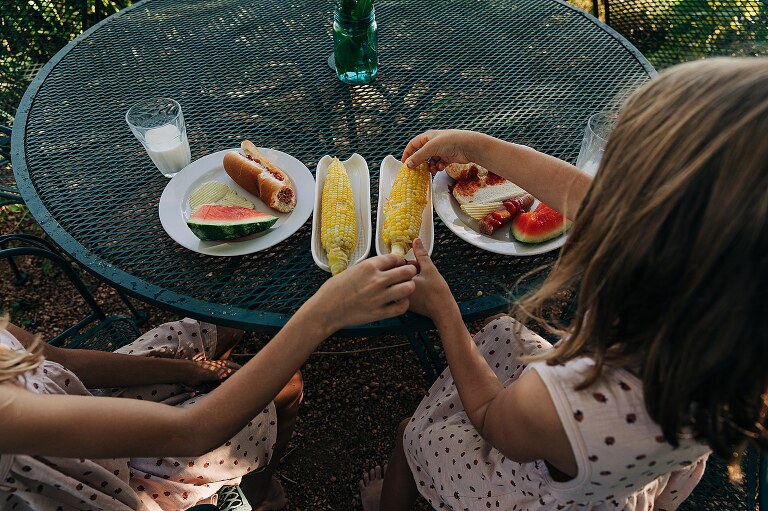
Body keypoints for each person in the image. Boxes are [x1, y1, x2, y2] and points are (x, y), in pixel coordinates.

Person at [359, 57, 768, 510]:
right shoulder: (737, 353)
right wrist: (480, 148)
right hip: (635, 469)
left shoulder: (572, 398)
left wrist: (444, 310)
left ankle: (387, 501)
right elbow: (591, 199)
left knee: (412, 435)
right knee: (501, 334)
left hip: (526, 475)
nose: (609, 201)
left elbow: (492, 419)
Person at [0, 254, 418, 511]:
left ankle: (218, 392)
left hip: (78, 403)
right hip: (115, 485)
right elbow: (191, 432)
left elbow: (59, 361)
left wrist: (187, 370)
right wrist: (324, 313)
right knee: (286, 385)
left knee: (215, 326)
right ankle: (262, 492)